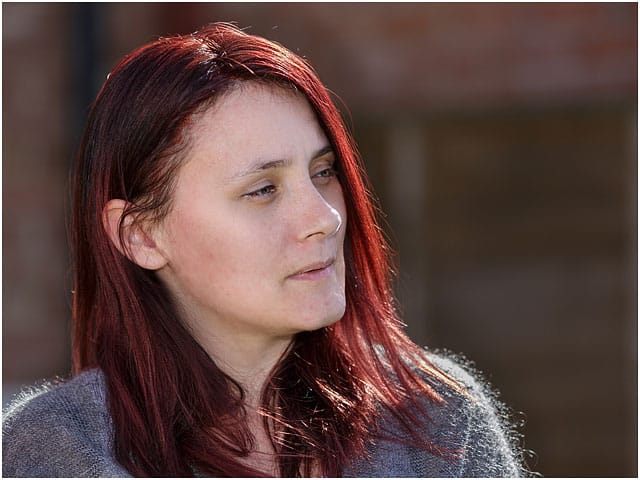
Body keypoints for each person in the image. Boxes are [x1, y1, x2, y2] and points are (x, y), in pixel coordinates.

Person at [3, 22, 529, 477]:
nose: (324, 219)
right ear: (140, 235)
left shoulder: (434, 418)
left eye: (323, 173)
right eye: (262, 190)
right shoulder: (52, 454)